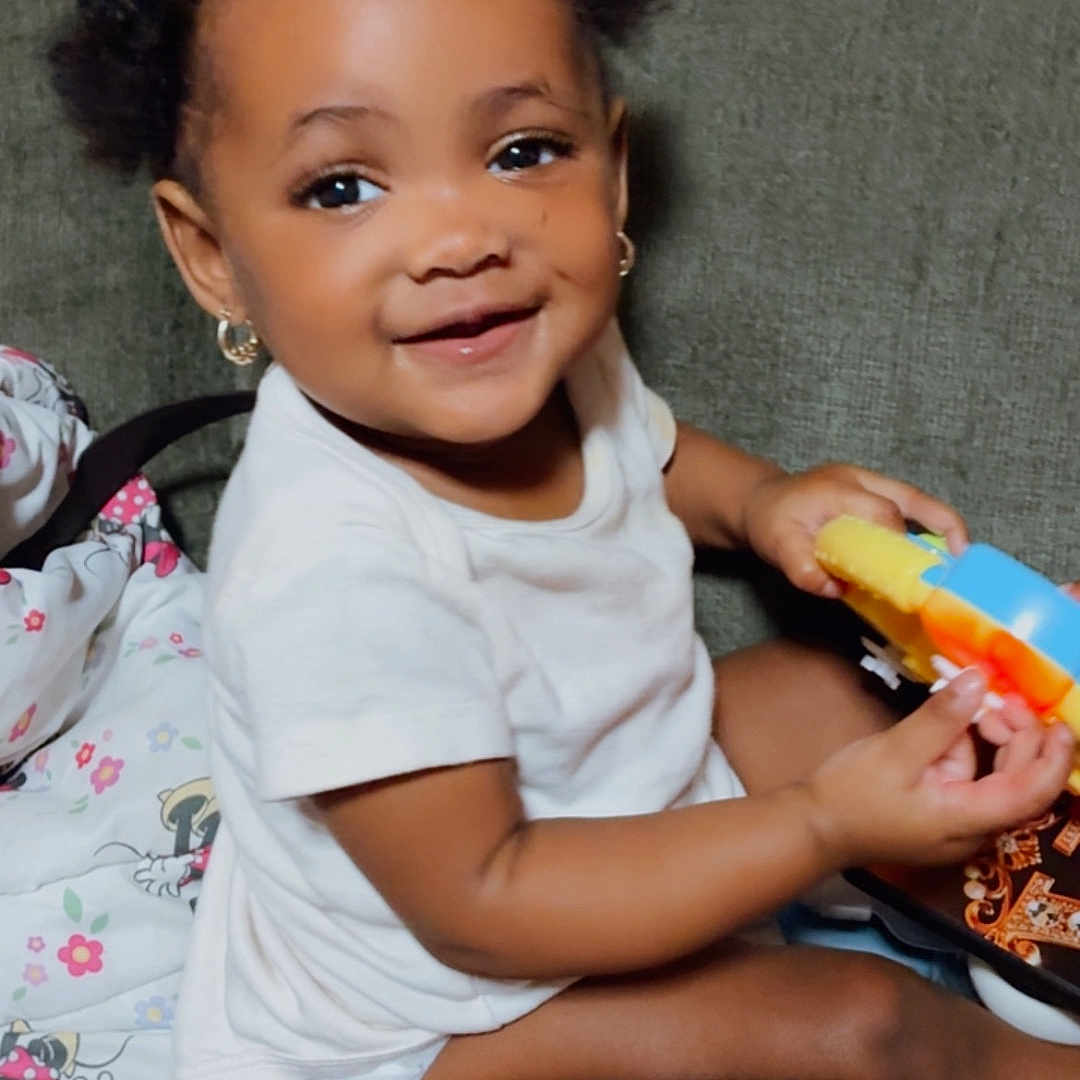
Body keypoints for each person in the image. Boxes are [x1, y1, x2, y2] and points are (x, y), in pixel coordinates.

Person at [49, 1, 1080, 1077]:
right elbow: (485, 903)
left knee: (845, 706)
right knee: (854, 1027)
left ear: (613, 172)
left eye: (521, 153)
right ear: (213, 255)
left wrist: (764, 503)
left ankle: (1028, 924)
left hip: (633, 790)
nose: (460, 241)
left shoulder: (526, 344)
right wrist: (825, 826)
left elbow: (646, 455)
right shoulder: (328, 566)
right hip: (457, 1009)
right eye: (342, 188)